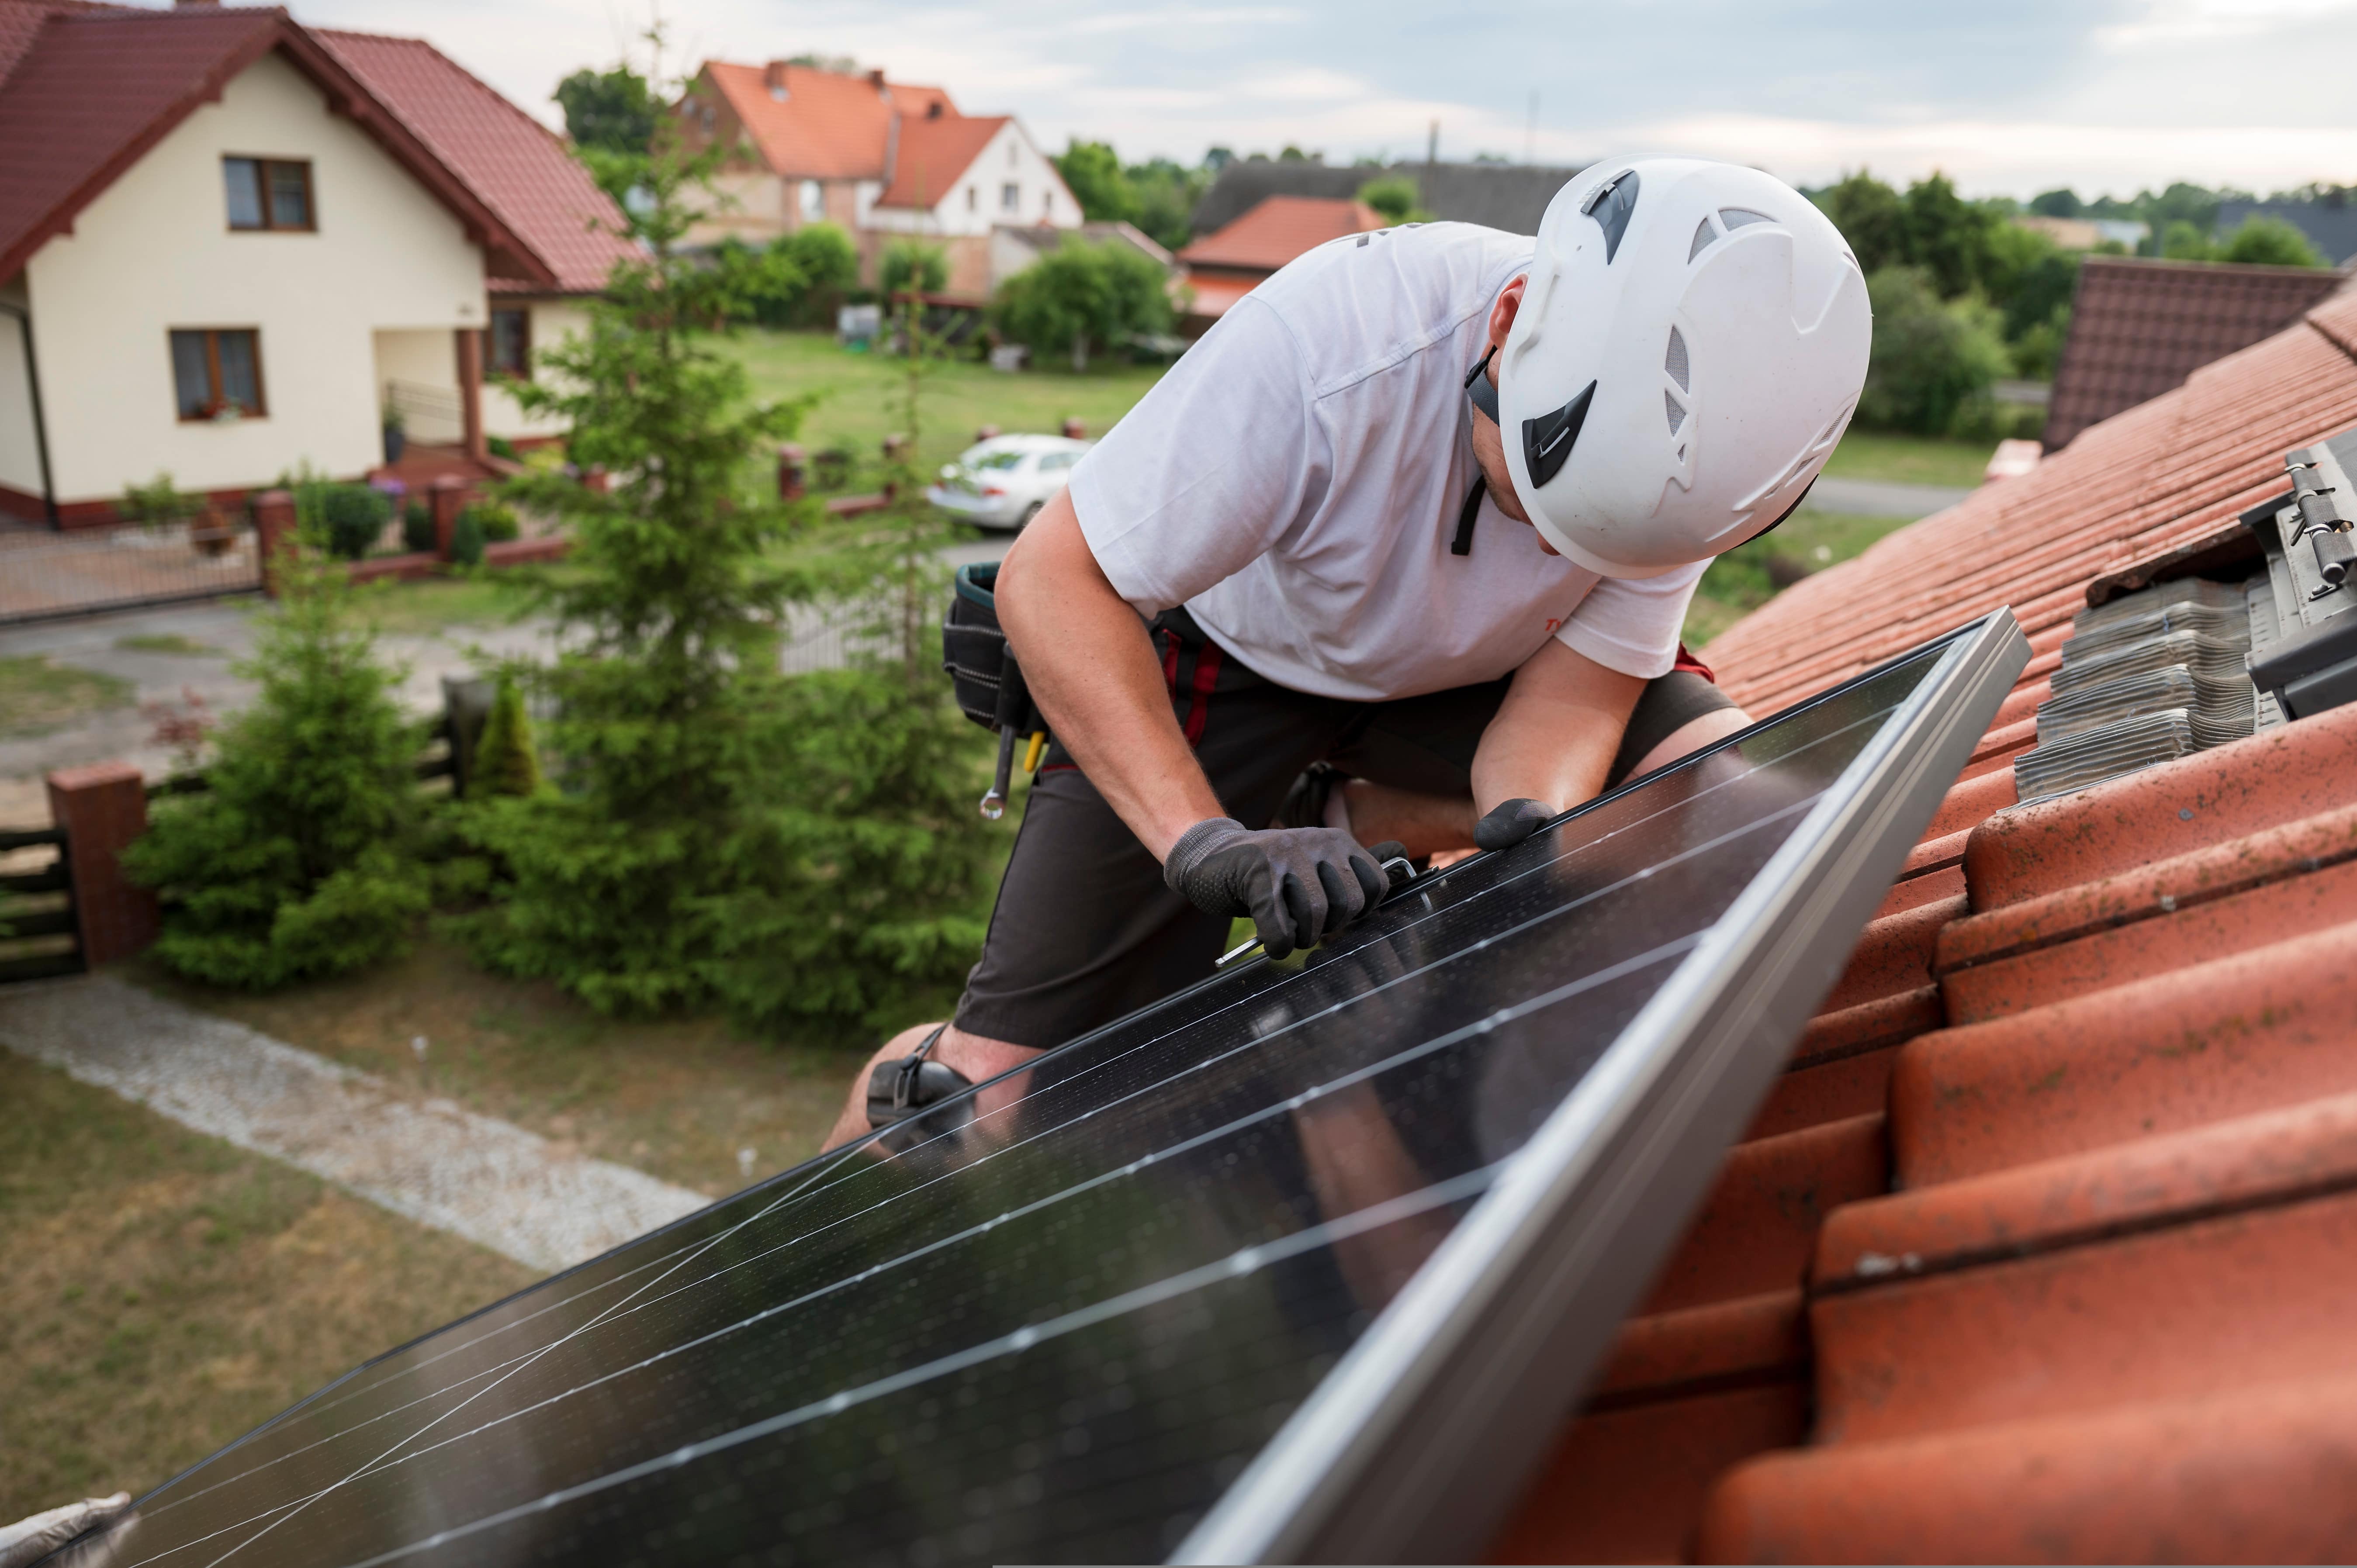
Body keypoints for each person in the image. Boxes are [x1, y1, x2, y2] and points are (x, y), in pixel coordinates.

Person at [825, 155, 1870, 1151]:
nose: (1554, 553)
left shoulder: (1691, 458)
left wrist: (1538, 829)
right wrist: (1203, 845)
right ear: (1507, 328)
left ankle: (1348, 820)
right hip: (1230, 667)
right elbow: (1051, 582)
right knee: (989, 1095)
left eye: (1589, 543)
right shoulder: (1331, 342)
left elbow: (1574, 699)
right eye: (1539, 509)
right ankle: (891, 1133)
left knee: (1711, 799)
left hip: (1479, 682)